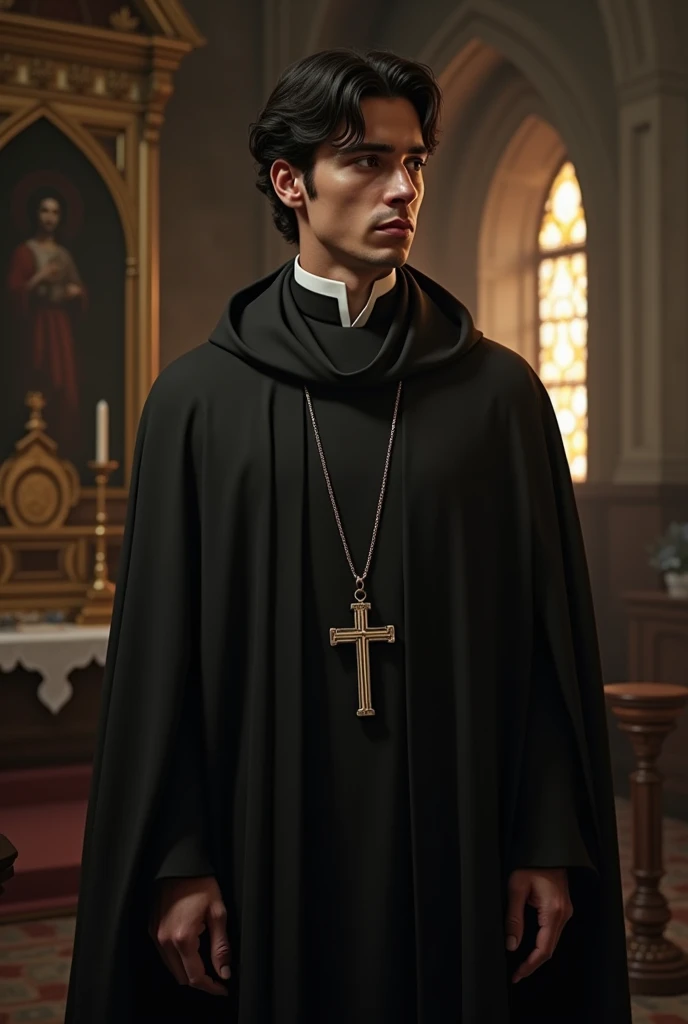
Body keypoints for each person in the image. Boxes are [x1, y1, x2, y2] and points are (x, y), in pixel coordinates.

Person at [64, 47, 631, 1024]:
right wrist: (180, 857)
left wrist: (544, 838)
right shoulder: (198, 404)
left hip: (459, 842)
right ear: (290, 182)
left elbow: (543, 654)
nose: (400, 187)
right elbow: (164, 669)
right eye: (364, 161)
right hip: (260, 843)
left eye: (413, 163)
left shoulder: (498, 399)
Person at [6, 192, 86, 451]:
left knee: (63, 385)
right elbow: (14, 293)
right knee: (37, 378)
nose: (49, 217)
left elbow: (78, 291)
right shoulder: (25, 252)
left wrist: (76, 294)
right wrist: (39, 277)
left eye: (54, 212)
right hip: (36, 327)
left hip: (59, 327)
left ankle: (61, 444)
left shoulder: (63, 255)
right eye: (44, 211)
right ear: (35, 214)